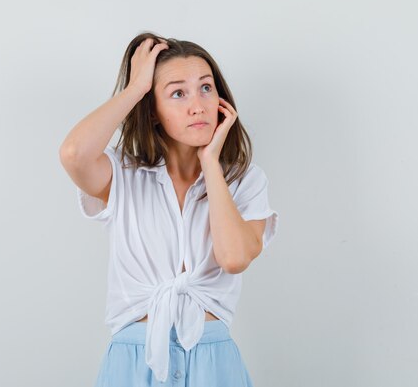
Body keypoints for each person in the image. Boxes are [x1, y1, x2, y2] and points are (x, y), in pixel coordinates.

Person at [59, 32, 279, 386]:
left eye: (206, 88)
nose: (198, 105)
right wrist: (134, 90)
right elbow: (73, 154)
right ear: (153, 111)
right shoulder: (123, 175)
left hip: (213, 361)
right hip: (133, 360)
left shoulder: (244, 180)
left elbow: (234, 258)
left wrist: (211, 164)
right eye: (178, 93)